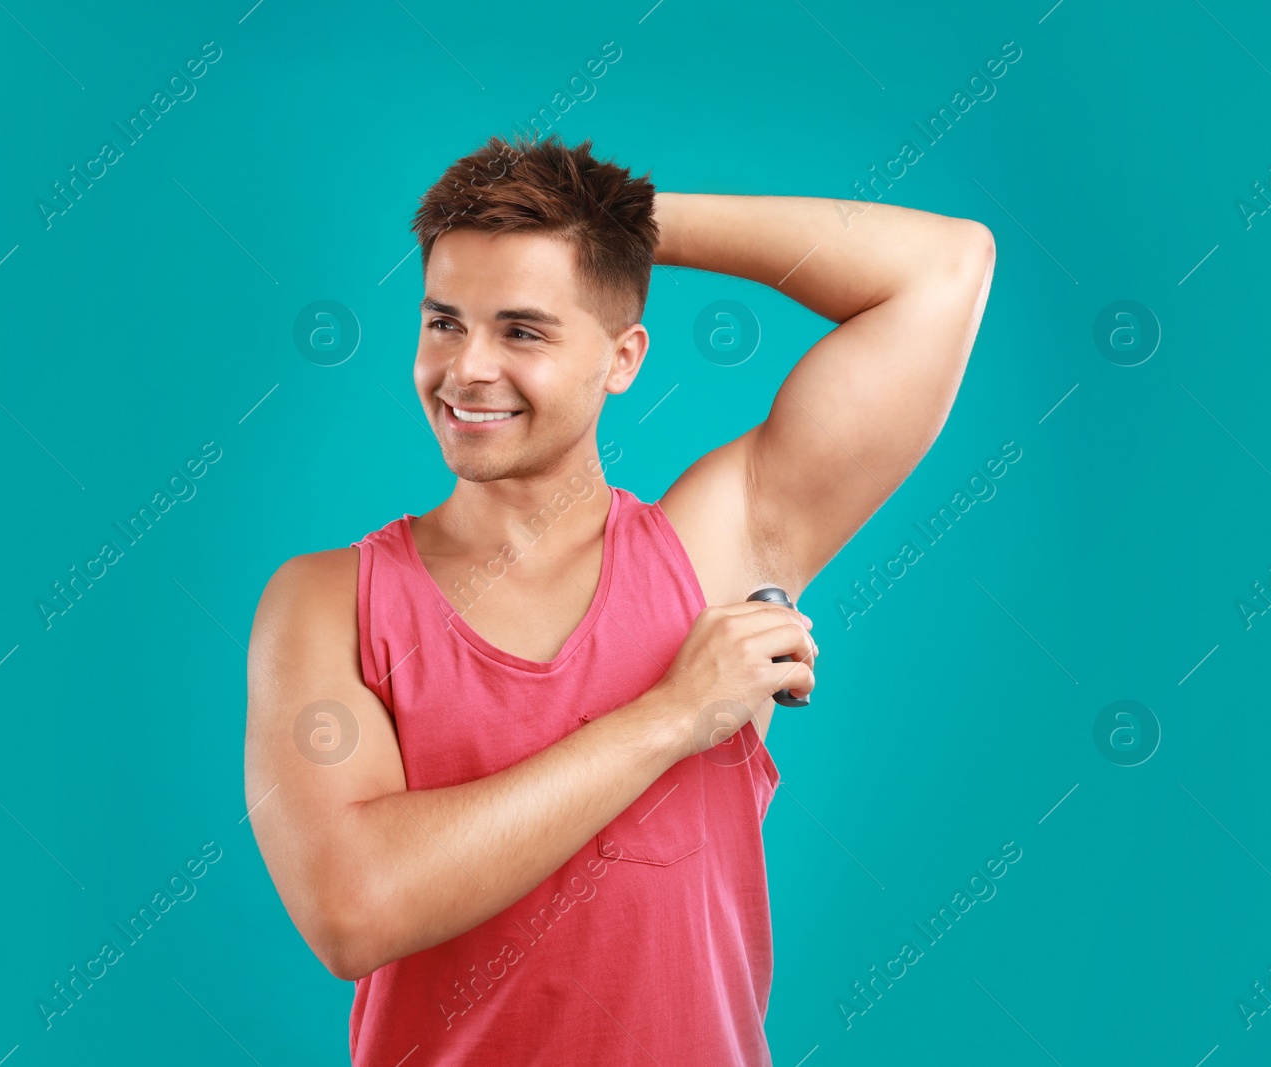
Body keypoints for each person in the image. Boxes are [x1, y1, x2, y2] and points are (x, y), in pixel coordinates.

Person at [244, 132, 994, 1064]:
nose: (467, 368)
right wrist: (673, 714)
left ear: (623, 356)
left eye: (522, 329)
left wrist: (617, 224)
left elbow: (943, 268)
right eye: (444, 321)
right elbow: (356, 908)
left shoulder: (716, 548)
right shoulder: (326, 604)